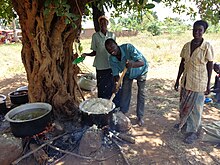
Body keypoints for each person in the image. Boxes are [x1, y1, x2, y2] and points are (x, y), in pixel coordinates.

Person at [174, 20, 214, 144]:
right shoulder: (186, 45)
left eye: (199, 30)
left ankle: (194, 132)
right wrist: (177, 80)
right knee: (184, 105)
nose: (197, 32)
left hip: (199, 83)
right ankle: (184, 123)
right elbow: (182, 64)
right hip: (186, 81)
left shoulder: (207, 46)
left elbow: (210, 65)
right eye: (194, 30)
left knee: (196, 109)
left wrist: (208, 85)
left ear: (204, 31)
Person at [105, 38, 149, 126]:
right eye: (109, 50)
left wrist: (132, 64)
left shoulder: (128, 48)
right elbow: (116, 75)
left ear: (117, 45)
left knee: (141, 93)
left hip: (141, 71)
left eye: (113, 47)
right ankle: (123, 113)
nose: (112, 51)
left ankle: (140, 116)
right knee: (125, 92)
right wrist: (117, 84)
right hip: (128, 74)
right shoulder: (112, 59)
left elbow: (141, 63)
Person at [82, 15, 120, 107]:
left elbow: (116, 50)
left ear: (107, 23)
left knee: (112, 86)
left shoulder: (112, 35)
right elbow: (94, 52)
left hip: (111, 65)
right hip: (100, 66)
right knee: (102, 87)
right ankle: (101, 106)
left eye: (105, 22)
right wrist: (86, 54)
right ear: (99, 24)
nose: (103, 24)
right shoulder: (95, 36)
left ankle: (112, 105)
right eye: (101, 23)